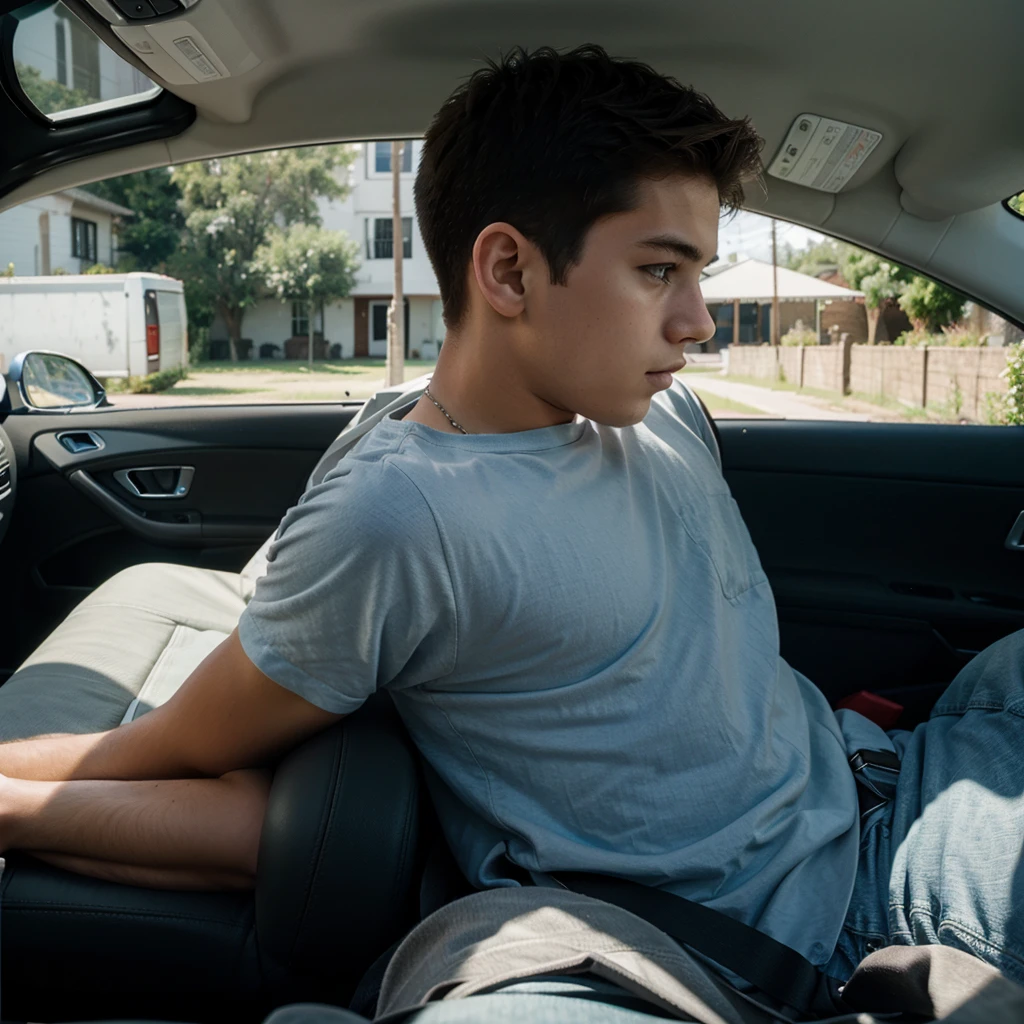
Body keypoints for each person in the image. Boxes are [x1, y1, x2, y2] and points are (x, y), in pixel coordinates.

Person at [0, 44, 1023, 1000]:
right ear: (507, 272)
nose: (699, 322)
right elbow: (172, 745)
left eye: (699, 274)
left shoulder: (661, 410)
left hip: (895, 767)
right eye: (659, 270)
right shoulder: (403, 510)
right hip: (815, 907)